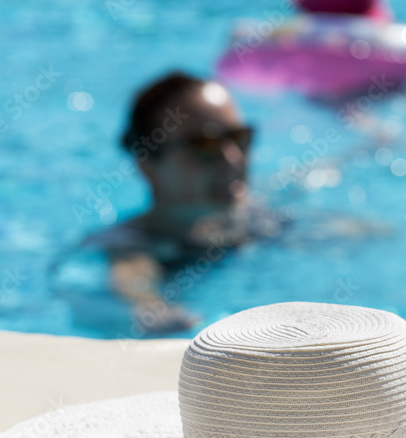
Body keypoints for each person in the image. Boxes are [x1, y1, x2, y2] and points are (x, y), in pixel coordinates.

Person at [83, 72, 279, 333]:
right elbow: (132, 280)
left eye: (239, 138)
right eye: (204, 146)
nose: (232, 160)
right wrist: (152, 309)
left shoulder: (263, 218)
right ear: (148, 165)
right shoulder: (133, 243)